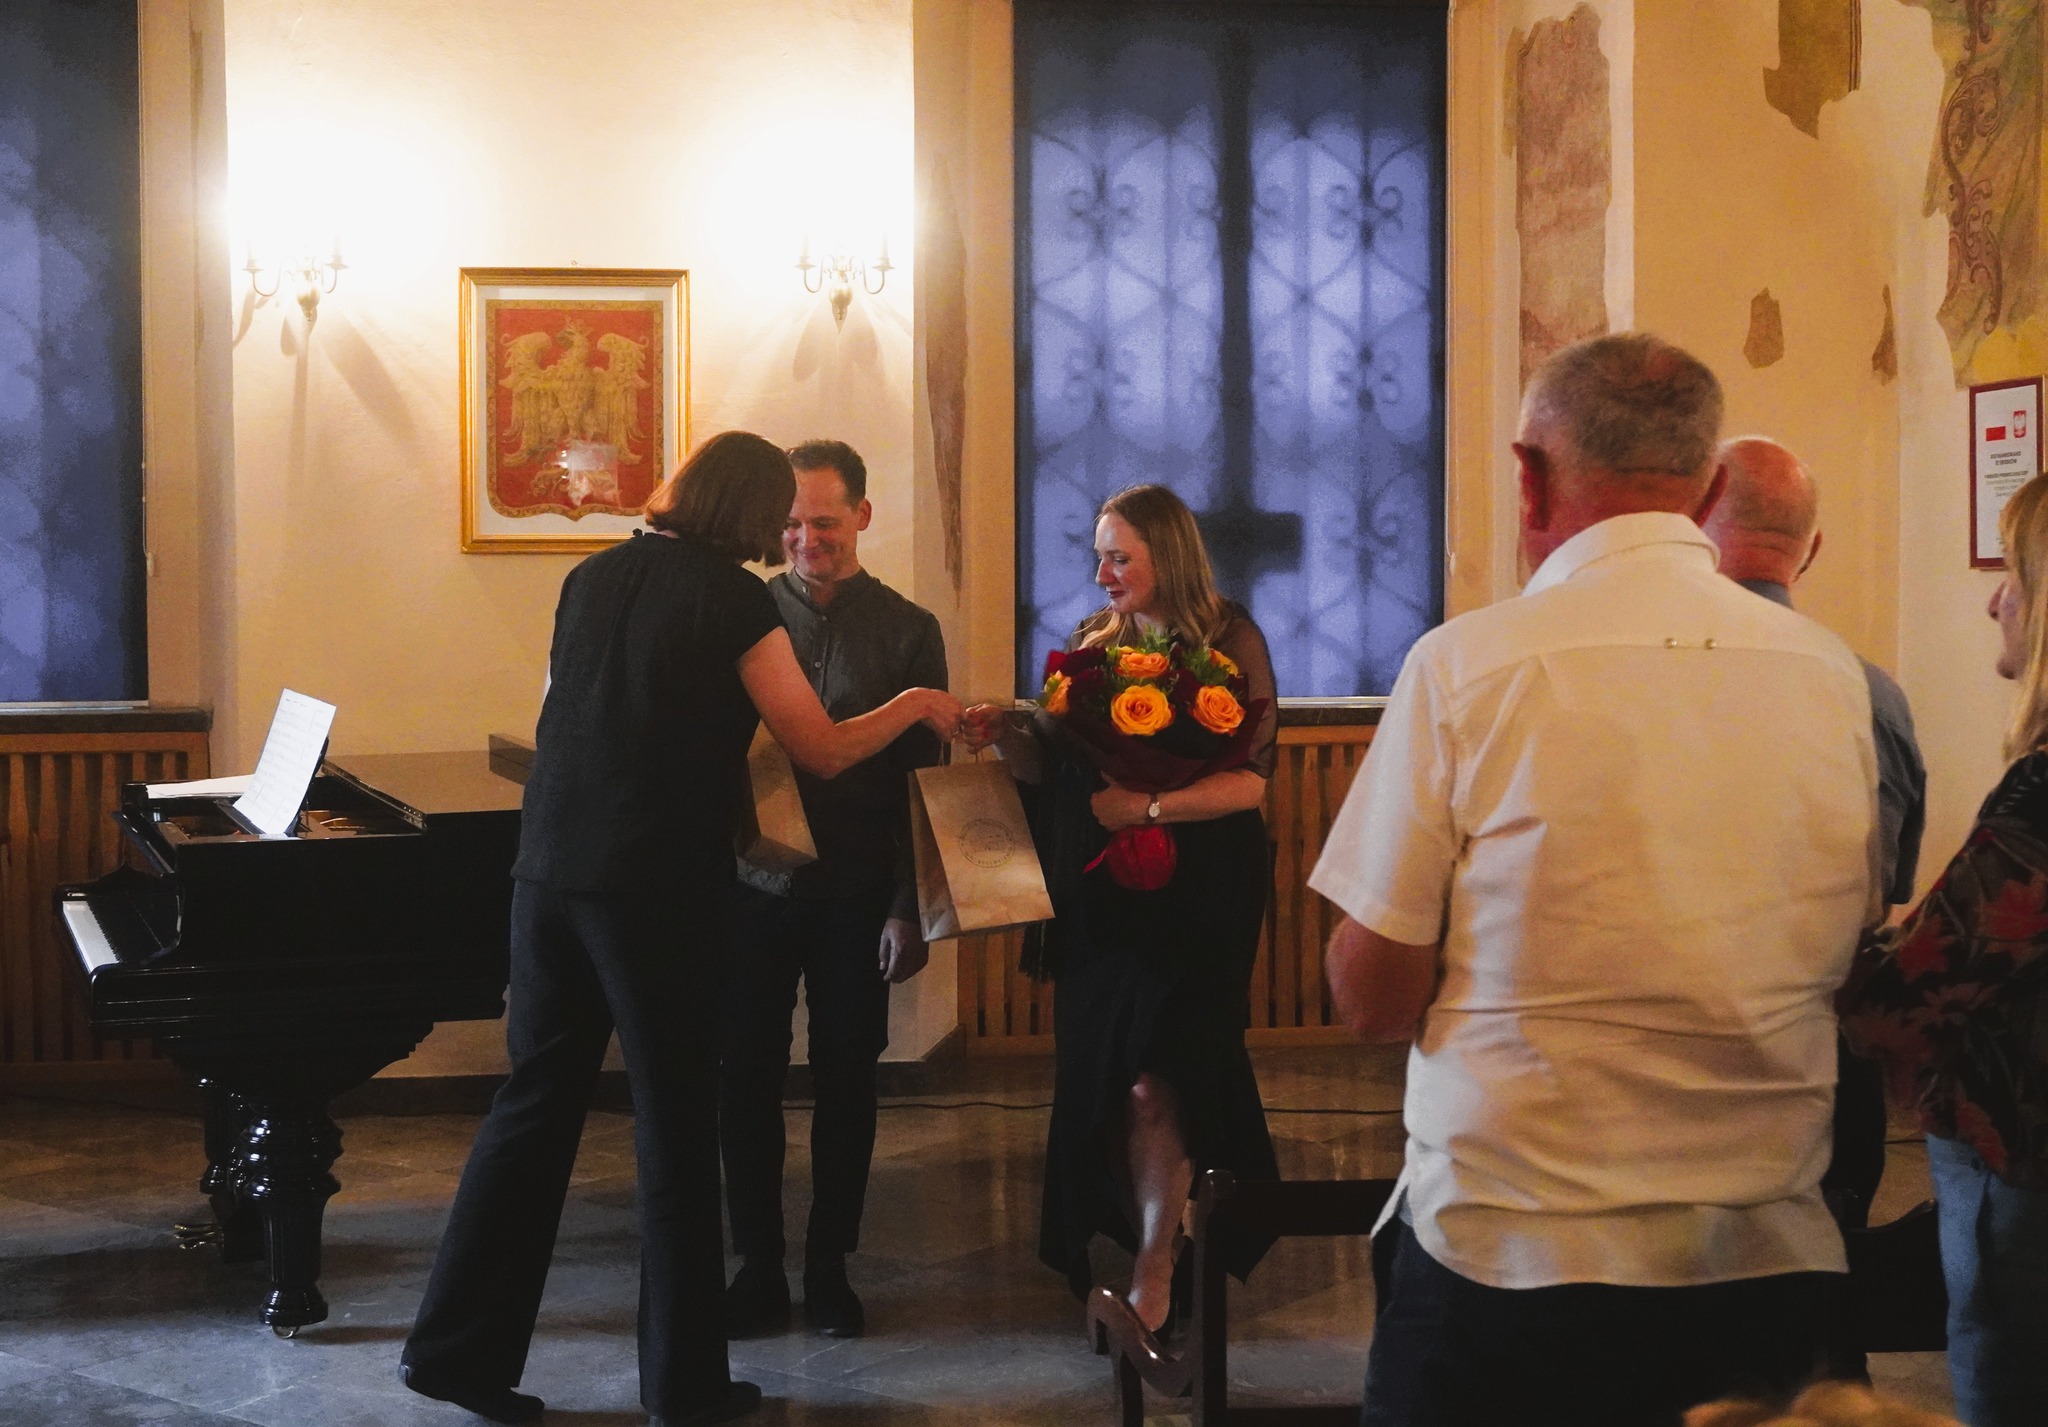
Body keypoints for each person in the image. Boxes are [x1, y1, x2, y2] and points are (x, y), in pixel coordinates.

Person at [1309, 333, 1882, 1426]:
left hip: (1514, 1259)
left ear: (1527, 476)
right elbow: (1845, 943)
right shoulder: (1830, 677)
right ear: (1706, 489)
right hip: (1762, 1258)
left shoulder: (1467, 666)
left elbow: (1372, 998)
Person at [399, 432, 961, 1427]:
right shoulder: (733, 598)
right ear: (747, 511)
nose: (783, 532)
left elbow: (559, 717)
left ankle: (455, 1352)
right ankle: (685, 1385)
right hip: (651, 889)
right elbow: (822, 748)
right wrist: (917, 701)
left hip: (545, 875)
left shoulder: (589, 577)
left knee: (531, 1107)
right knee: (674, 1126)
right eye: (776, 513)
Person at [965, 483, 1280, 1337]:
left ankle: (1155, 1264)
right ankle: (1155, 1224)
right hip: (1104, 890)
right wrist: (1007, 732)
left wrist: (1147, 808)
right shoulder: (1089, 643)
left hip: (1203, 891)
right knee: (1112, 1075)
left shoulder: (1231, 639)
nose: (1102, 572)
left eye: (1118, 556)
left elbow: (1251, 781)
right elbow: (1054, 769)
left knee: (1158, 1077)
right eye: (1099, 555)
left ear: (1166, 555)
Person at [720, 440, 948, 1340]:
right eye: (791, 523)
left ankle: (829, 1264)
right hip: (753, 887)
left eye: (824, 521)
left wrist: (908, 906)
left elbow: (923, 785)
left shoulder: (909, 628)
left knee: (849, 1078)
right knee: (746, 1077)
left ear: (862, 515)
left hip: (858, 890)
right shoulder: (745, 611)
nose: (806, 540)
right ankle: (756, 1263)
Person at [1841, 472, 2048, 1427]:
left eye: (2015, 577)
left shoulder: (2039, 799)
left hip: (2022, 1165)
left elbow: (1912, 996)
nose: (1994, 600)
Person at [1700, 437, 1927, 1241]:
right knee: (1824, 1270)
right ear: (1814, 547)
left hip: (1681, 1058)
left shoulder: (1647, 672)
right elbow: (1889, 886)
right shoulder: (1872, 691)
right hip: (1825, 1053)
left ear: (1694, 527)